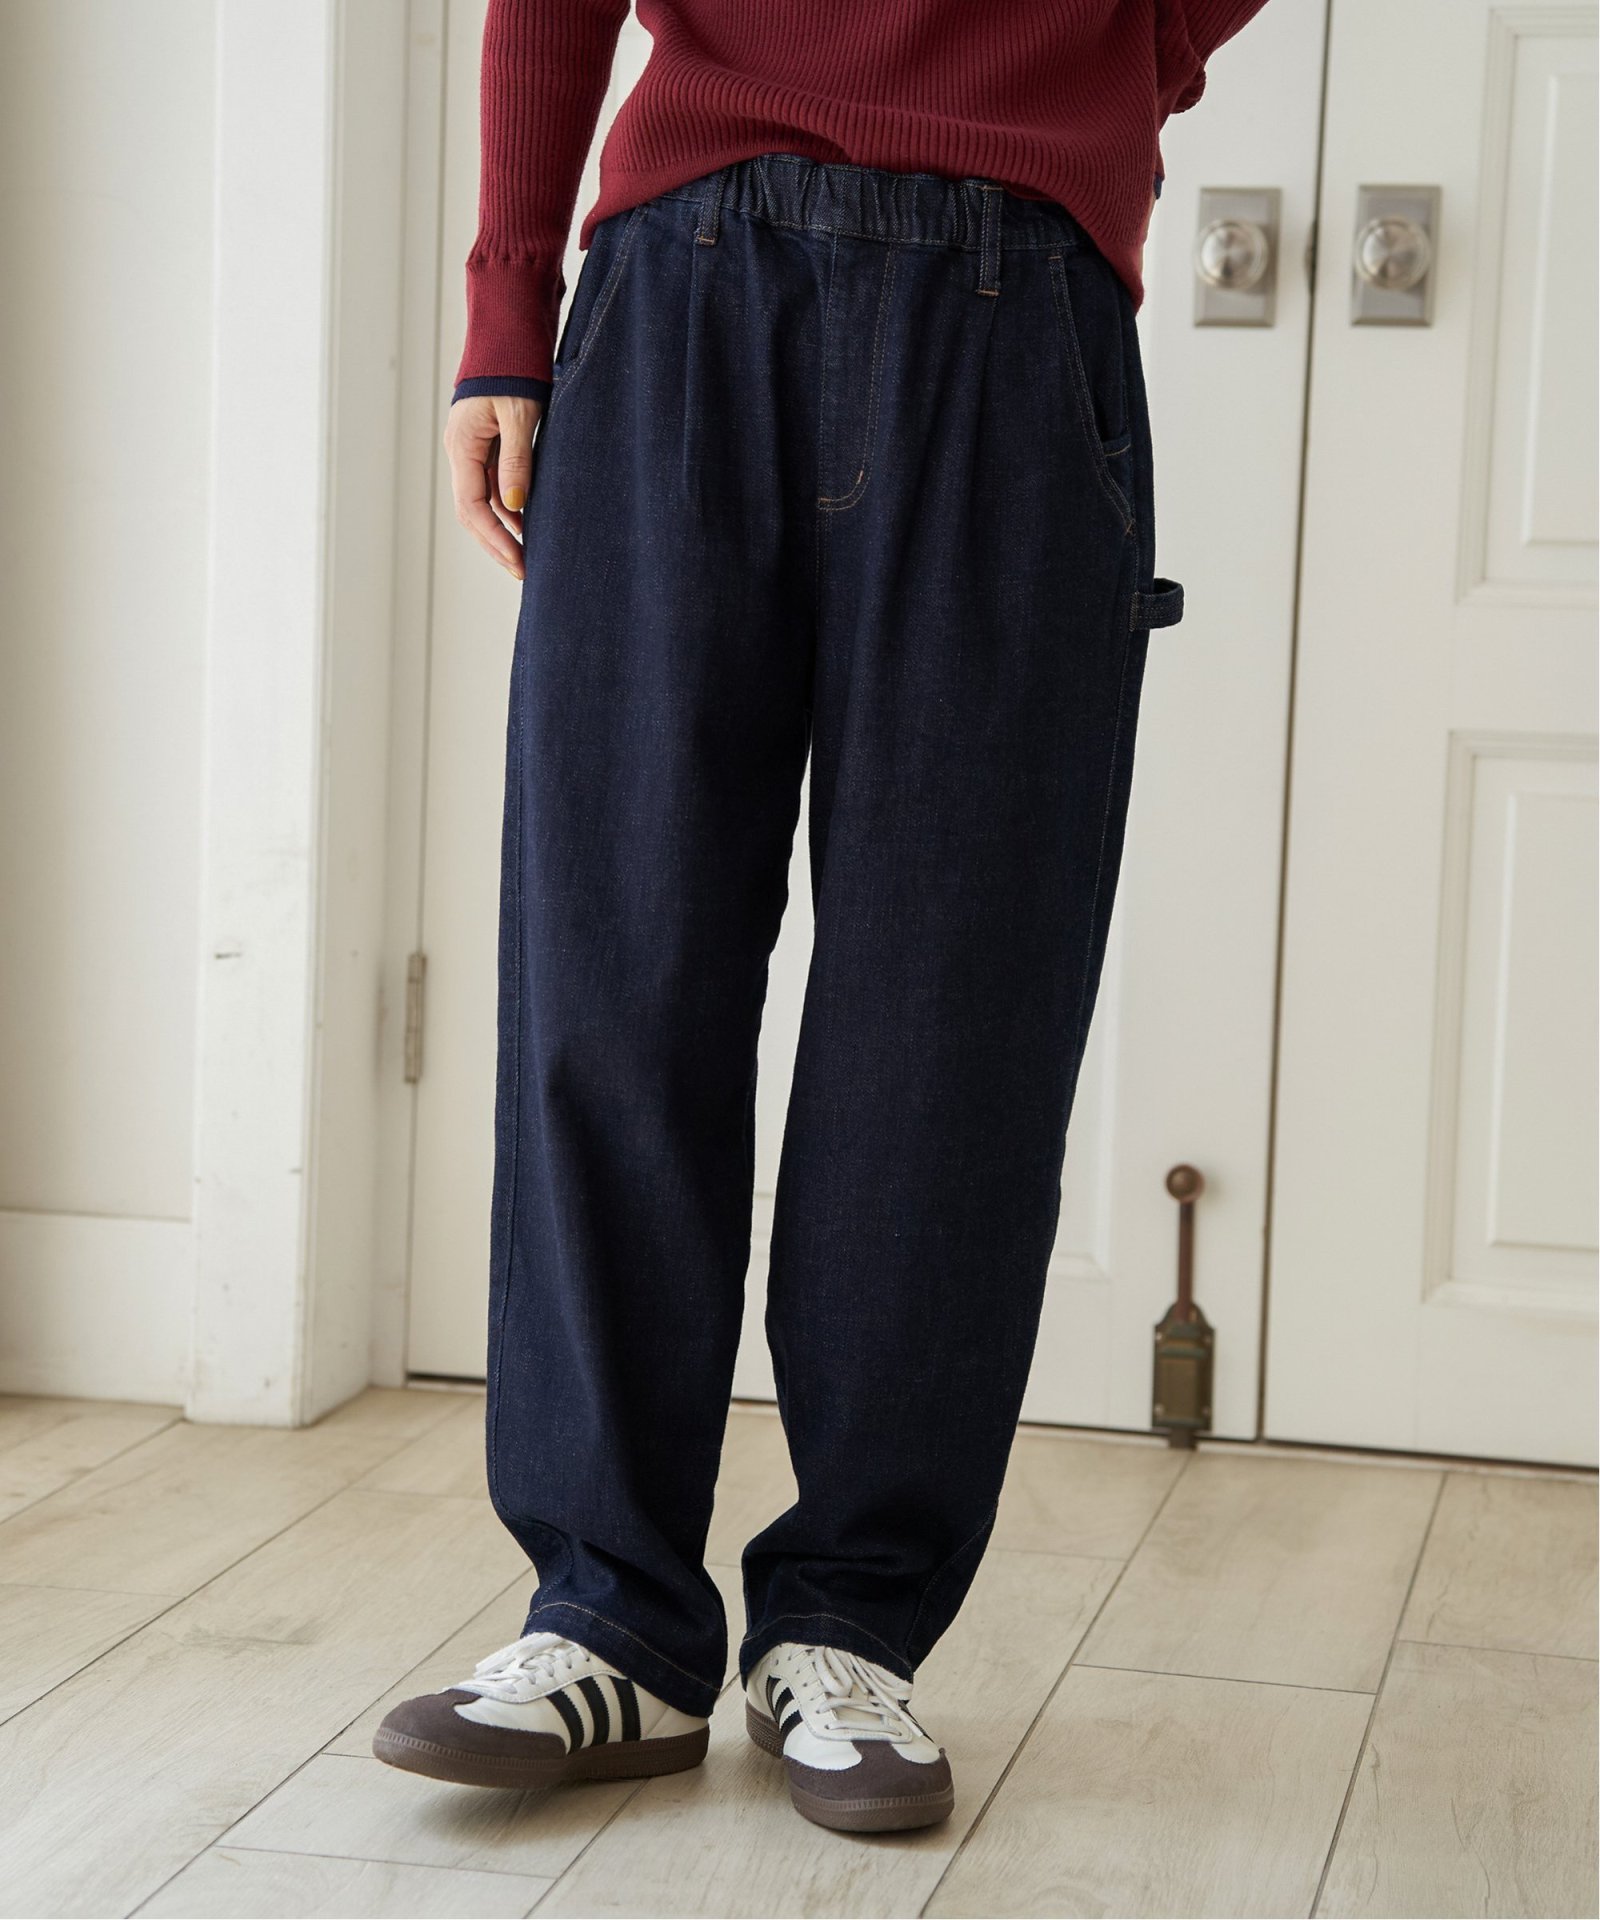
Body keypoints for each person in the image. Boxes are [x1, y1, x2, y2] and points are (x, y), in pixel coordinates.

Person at [375, 0, 1269, 1834]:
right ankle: (607, 1615)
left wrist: (1110, 52)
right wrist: (504, 304)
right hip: (680, 289)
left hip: (1016, 314)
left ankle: (851, 1624)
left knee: (951, 1021)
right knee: (614, 977)